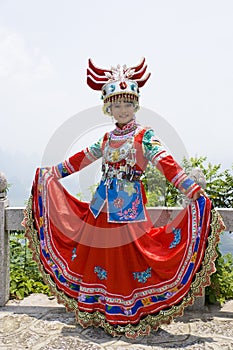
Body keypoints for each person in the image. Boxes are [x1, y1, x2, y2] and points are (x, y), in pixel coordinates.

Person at [22, 58, 225, 338]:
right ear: (108, 108)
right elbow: (80, 160)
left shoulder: (144, 136)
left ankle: (130, 312)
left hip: (129, 204)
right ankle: (102, 310)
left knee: (130, 257)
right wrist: (51, 174)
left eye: (127, 104)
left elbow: (165, 163)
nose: (122, 110)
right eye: (116, 105)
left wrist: (189, 187)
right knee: (102, 257)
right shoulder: (106, 139)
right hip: (102, 205)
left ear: (135, 106)